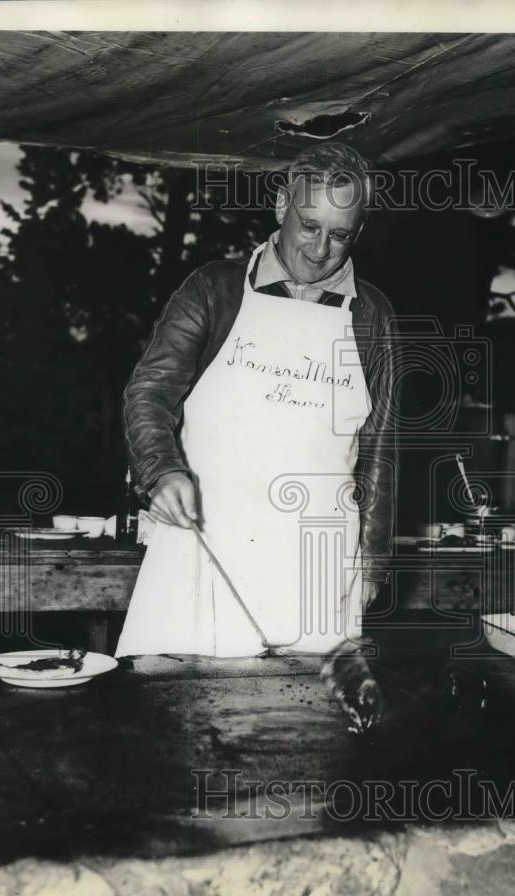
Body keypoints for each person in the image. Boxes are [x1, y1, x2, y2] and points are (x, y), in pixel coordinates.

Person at [116, 143, 397, 673]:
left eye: (339, 235)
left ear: (358, 232)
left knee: (308, 739)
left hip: (319, 560)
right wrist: (161, 471)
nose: (319, 250)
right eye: (309, 226)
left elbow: (381, 447)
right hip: (203, 548)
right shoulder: (212, 289)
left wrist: (374, 564)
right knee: (173, 728)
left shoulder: (373, 316)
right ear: (280, 206)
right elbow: (148, 393)